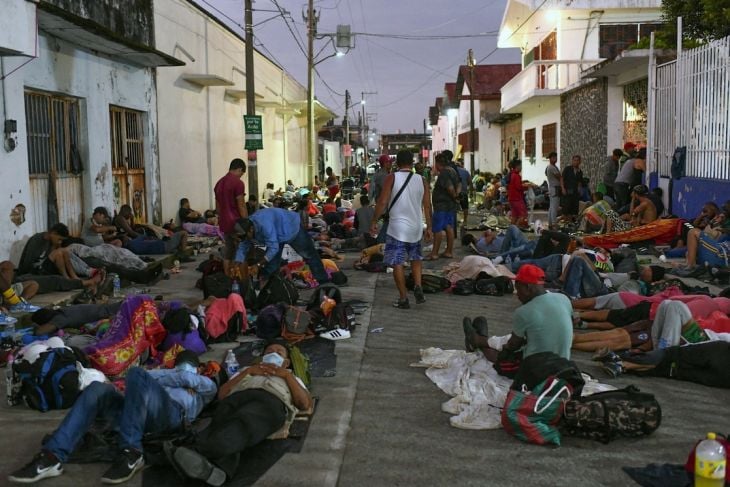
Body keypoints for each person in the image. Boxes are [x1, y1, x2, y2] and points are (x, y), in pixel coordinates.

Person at [8, 351, 217, 484]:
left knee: (136, 373)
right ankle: (52, 456)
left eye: (190, 366)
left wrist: (183, 378)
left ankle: (131, 452)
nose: (184, 370)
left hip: (171, 417)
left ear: (199, 369)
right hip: (134, 413)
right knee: (97, 388)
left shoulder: (205, 385)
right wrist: (172, 378)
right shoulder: (163, 378)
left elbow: (187, 378)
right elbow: (173, 377)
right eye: (181, 365)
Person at [168, 343, 312, 486]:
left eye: (279, 353)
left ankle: (195, 451)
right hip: (236, 399)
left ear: (286, 362)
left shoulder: (292, 377)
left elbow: (304, 404)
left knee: (245, 420)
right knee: (223, 420)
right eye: (270, 351)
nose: (274, 354)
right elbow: (222, 395)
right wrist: (247, 372)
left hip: (270, 402)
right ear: (263, 357)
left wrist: (286, 376)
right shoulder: (246, 371)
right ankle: (218, 471)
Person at [463, 264, 573, 361]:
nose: (517, 295)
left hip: (537, 369)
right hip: (563, 361)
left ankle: (478, 342)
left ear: (528, 287)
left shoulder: (524, 311)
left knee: (504, 356)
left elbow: (513, 345)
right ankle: (481, 339)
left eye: (518, 289)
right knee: (524, 336)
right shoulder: (563, 298)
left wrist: (503, 347)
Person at [370, 150, 432, 309]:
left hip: (397, 228)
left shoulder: (392, 177)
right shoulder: (422, 179)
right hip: (416, 227)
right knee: (415, 259)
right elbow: (427, 205)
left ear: (397, 163)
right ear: (412, 162)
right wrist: (429, 227)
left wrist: (374, 220)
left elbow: (383, 202)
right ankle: (418, 285)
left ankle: (404, 298)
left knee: (397, 262)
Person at [233, 208, 330, 285]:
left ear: (250, 230)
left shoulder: (264, 225)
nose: (245, 238)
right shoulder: (247, 229)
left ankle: (324, 282)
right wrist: (237, 263)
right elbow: (243, 246)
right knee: (272, 264)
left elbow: (273, 248)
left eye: (245, 236)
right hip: (277, 236)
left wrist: (258, 264)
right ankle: (266, 289)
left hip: (291, 227)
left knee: (309, 255)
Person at [674, 200, 730, 277]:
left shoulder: (720, 220)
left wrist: (719, 225)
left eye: (725, 209)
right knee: (685, 225)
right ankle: (687, 264)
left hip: (720, 253)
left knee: (692, 232)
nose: (723, 211)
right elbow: (693, 225)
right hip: (711, 246)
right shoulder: (714, 220)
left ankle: (690, 266)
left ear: (714, 210)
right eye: (723, 209)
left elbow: (717, 234)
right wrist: (705, 217)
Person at [214, 158, 248, 278]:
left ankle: (228, 279)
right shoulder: (238, 183)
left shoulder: (218, 183)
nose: (241, 176)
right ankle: (243, 281)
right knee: (242, 251)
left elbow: (218, 208)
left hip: (224, 224)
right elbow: (241, 204)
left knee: (228, 253)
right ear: (239, 169)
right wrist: (247, 223)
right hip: (236, 223)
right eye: (242, 173)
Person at [17, 224, 84, 281]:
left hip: (43, 266)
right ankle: (66, 278)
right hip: (34, 270)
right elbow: (28, 262)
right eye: (59, 239)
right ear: (53, 233)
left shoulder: (51, 241)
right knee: (58, 253)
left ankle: (73, 276)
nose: (60, 242)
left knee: (64, 251)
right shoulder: (36, 240)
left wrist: (55, 246)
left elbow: (50, 256)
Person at [425, 153, 458, 260]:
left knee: (437, 229)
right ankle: (449, 251)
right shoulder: (452, 170)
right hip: (450, 205)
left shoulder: (444, 173)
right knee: (449, 227)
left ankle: (434, 253)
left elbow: (450, 187)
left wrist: (454, 195)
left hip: (442, 206)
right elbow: (459, 184)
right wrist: (455, 197)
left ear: (438, 163)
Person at [507, 160, 531, 228]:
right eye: (521, 166)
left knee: (515, 216)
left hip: (511, 198)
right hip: (517, 198)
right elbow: (519, 187)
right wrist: (527, 186)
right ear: (517, 166)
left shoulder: (511, 174)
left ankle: (511, 231)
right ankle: (516, 230)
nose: (521, 167)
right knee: (523, 215)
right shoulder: (516, 175)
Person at [561, 155, 583, 219]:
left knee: (574, 211)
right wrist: (562, 188)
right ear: (572, 161)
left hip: (575, 194)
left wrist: (580, 188)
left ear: (580, 162)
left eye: (577, 160)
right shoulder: (567, 169)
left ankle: (571, 225)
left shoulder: (580, 171)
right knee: (566, 210)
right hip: (567, 192)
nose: (576, 162)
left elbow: (579, 181)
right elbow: (562, 178)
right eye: (574, 160)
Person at [545, 151, 562, 229]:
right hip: (554, 188)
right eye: (553, 157)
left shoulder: (552, 167)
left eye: (556, 157)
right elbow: (559, 176)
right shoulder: (552, 167)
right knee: (554, 207)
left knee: (551, 207)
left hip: (553, 188)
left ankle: (550, 223)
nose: (555, 159)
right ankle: (554, 224)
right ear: (550, 158)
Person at [455, 160, 472, 229]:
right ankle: (465, 221)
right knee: (465, 207)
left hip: (454, 193)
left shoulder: (452, 171)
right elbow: (470, 182)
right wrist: (470, 192)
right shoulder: (465, 171)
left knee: (454, 208)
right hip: (464, 192)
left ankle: (455, 221)